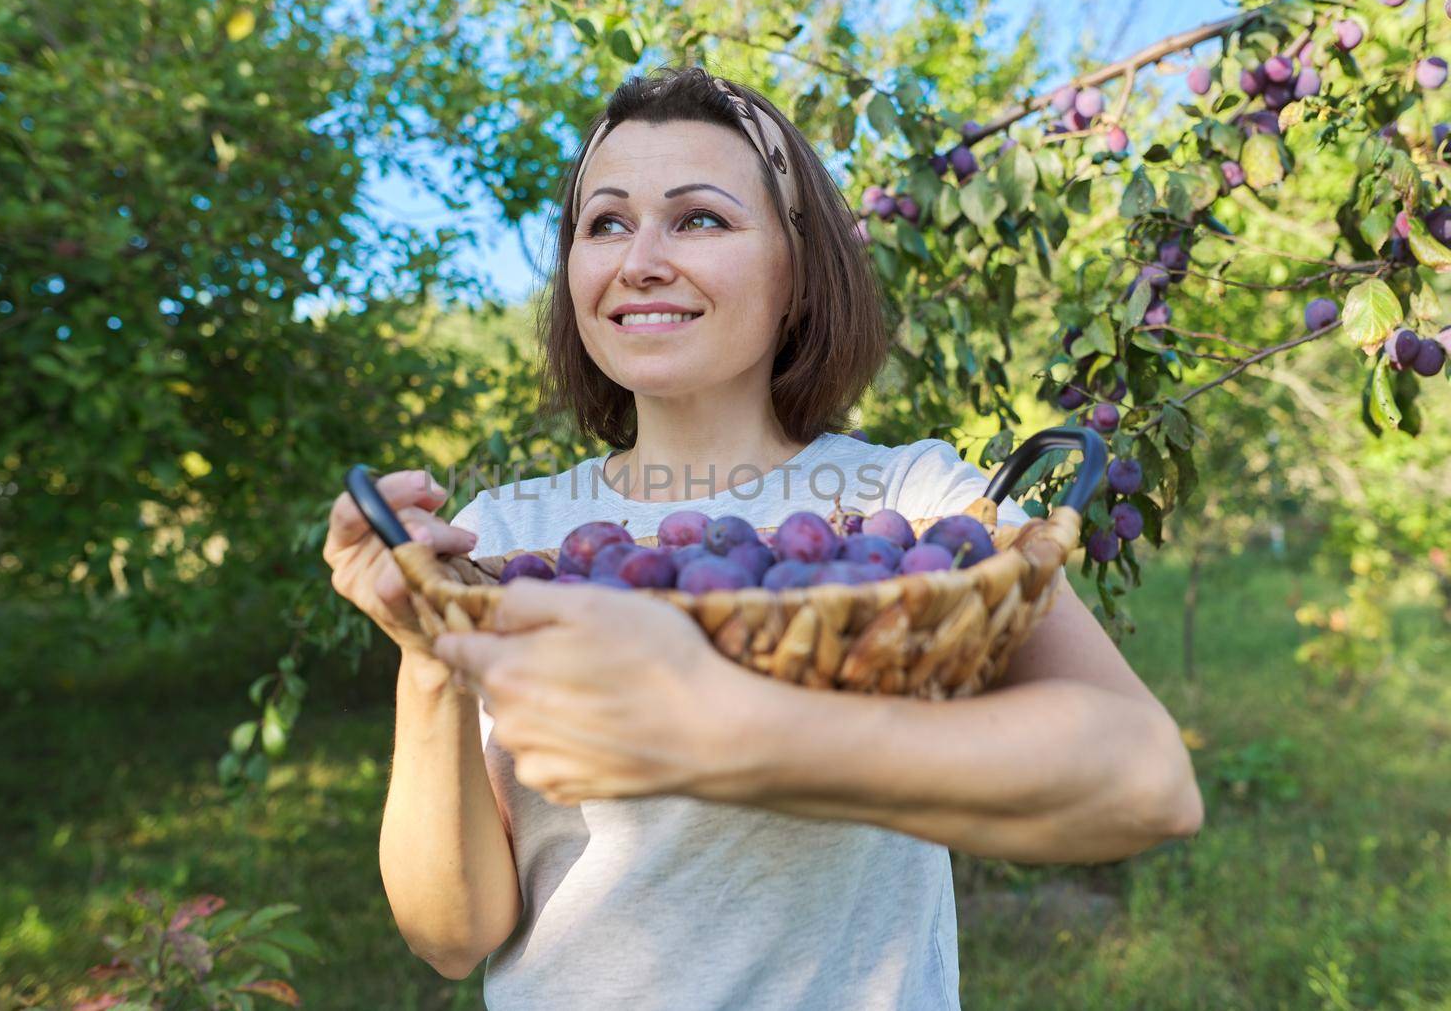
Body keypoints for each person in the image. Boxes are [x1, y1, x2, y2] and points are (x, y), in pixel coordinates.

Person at [323, 65, 1203, 1010]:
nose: (639, 260)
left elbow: (1146, 781)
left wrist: (740, 738)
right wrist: (427, 657)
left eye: (699, 218)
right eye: (605, 222)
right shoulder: (504, 537)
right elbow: (452, 939)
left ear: (797, 268)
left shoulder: (911, 504)